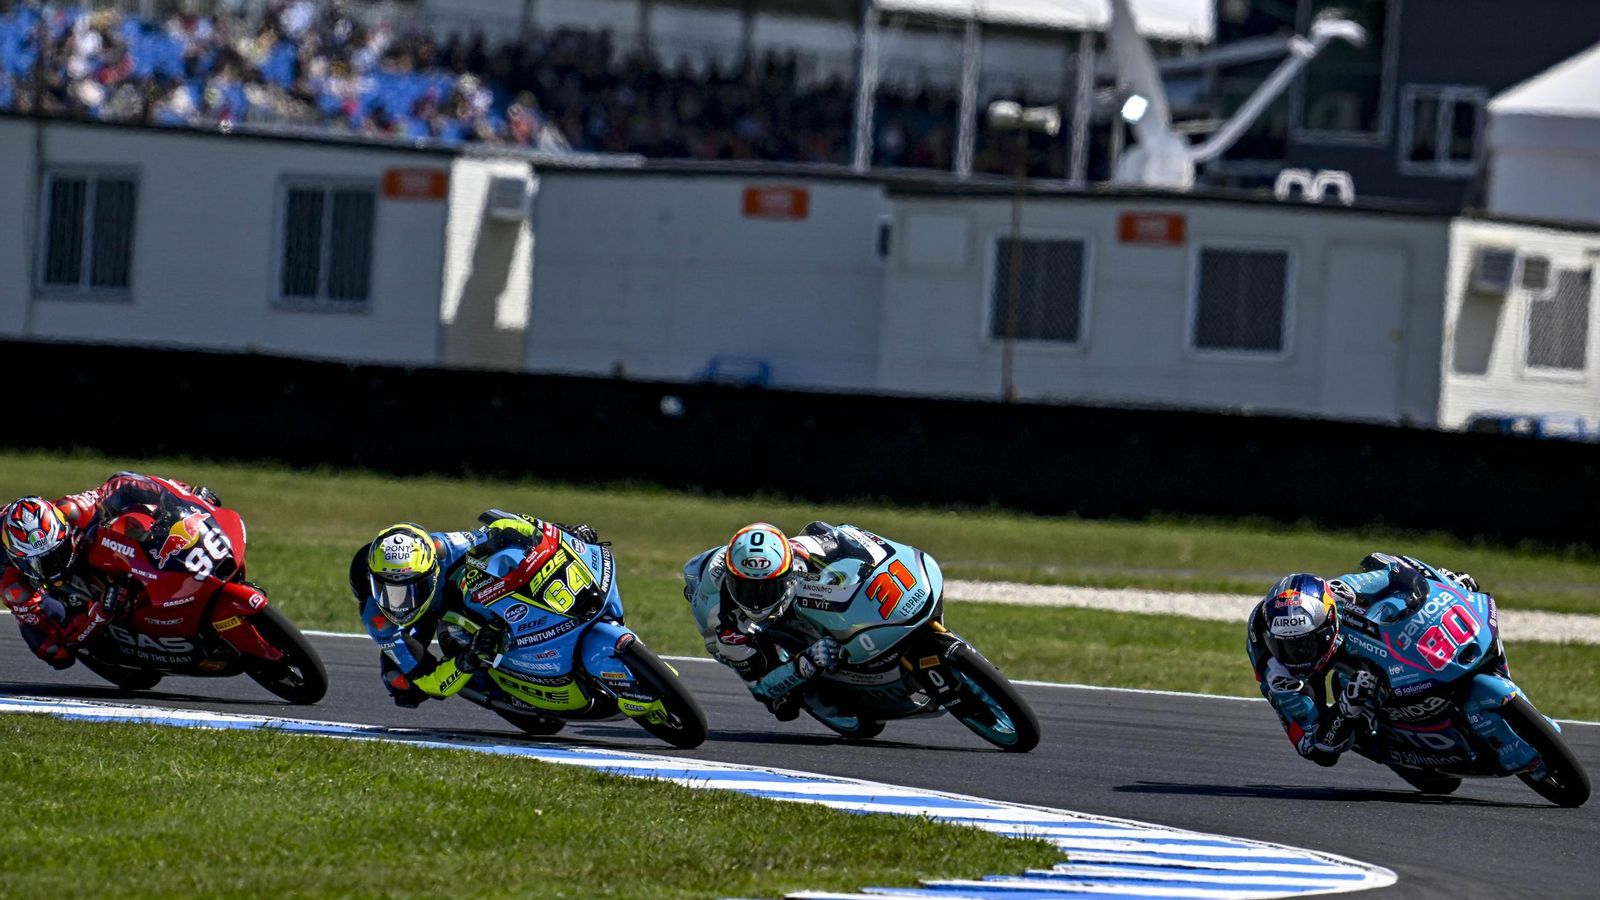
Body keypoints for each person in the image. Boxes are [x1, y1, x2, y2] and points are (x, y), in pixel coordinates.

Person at [1246, 554, 1480, 767]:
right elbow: (1316, 749)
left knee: (1384, 618)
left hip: (1333, 627)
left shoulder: (1341, 591)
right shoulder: (1277, 668)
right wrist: (1346, 708)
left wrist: (1446, 581)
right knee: (1316, 746)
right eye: (1287, 647)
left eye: (1305, 645)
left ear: (1328, 624)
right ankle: (1369, 725)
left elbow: (1397, 570)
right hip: (1291, 672)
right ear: (1273, 640)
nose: (1298, 655)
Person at [349, 513, 600, 707]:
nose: (400, 604)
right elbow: (428, 681)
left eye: (411, 589)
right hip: (423, 623)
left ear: (432, 569)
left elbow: (504, 529)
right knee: (401, 684)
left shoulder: (446, 547)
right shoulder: (379, 618)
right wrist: (465, 661)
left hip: (452, 594)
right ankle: (488, 683)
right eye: (389, 591)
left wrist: (563, 532)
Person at [0, 472, 235, 669]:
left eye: (57, 554)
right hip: (49, 597)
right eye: (40, 562)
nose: (53, 566)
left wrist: (188, 493)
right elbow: (65, 636)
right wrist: (101, 611)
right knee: (55, 652)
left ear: (64, 529)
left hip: (72, 539)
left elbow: (123, 486)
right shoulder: (12, 583)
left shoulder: (72, 509)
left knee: (131, 516)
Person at [683, 521, 890, 720]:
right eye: (745, 589)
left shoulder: (797, 552)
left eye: (768, 588)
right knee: (784, 706)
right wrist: (807, 662)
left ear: (787, 572)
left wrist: (869, 562)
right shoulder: (724, 625)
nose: (757, 601)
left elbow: (846, 536)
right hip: (730, 631)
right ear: (731, 581)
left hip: (754, 563)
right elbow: (761, 687)